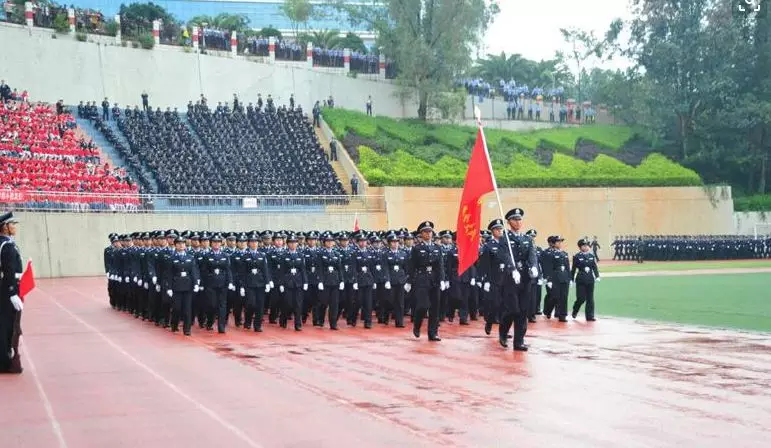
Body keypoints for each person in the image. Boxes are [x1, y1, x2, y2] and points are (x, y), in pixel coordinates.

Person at [499, 208, 538, 351]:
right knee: (513, 309)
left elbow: (532, 255)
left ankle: (519, 341)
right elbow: (505, 256)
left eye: (519, 219)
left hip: (525, 278)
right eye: (515, 220)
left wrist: (534, 267)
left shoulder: (527, 239)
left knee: (523, 310)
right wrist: (512, 269)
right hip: (511, 278)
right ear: (509, 222)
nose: (518, 222)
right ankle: (503, 331)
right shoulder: (505, 239)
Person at [407, 221, 446, 341]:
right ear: (421, 234)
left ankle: (432, 333)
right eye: (425, 232)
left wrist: (442, 279)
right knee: (423, 306)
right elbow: (411, 266)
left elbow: (440, 265)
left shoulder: (437, 248)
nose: (428, 234)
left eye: (430, 232)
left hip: (434, 279)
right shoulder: (417, 248)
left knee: (435, 307)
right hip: (421, 279)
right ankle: (417, 325)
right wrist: (409, 281)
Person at [0, 212, 23, 374]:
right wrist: (12, 292)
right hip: (6, 288)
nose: (14, 227)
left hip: (5, 286)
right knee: (6, 325)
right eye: (11, 224)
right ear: (4, 227)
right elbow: (8, 270)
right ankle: (4, 361)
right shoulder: (6, 245)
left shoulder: (6, 243)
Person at [164, 235, 200, 335]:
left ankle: (187, 329)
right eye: (179, 244)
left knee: (187, 309)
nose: (181, 245)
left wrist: (196, 283)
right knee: (177, 308)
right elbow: (169, 274)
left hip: (188, 286)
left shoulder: (190, 257)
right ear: (175, 245)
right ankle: (174, 324)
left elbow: (194, 271)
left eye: (183, 243)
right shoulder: (171, 258)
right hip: (176, 286)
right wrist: (169, 288)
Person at [572, 238, 600, 321]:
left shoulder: (591, 256)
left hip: (590, 279)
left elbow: (594, 267)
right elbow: (573, 269)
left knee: (590, 299)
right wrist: (571, 279)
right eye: (584, 245)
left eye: (587, 245)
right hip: (581, 279)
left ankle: (590, 316)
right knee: (581, 298)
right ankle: (575, 309)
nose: (587, 247)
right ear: (580, 247)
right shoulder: (577, 256)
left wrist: (597, 276)